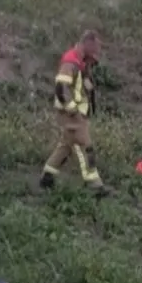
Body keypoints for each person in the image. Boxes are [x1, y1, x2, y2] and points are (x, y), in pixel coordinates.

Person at [41, 30, 103, 191]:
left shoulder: (81, 62)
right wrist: (72, 110)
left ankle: (48, 176)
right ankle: (94, 184)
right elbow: (61, 88)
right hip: (72, 114)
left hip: (77, 112)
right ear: (86, 44)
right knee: (85, 146)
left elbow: (84, 86)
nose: (96, 54)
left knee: (66, 145)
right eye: (94, 49)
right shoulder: (71, 63)